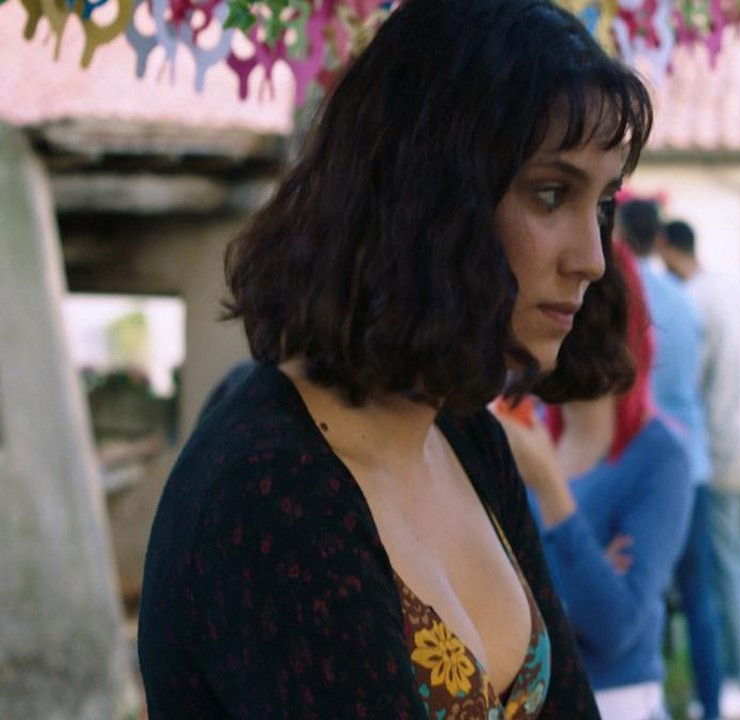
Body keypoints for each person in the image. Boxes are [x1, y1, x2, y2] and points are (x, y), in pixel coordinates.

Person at [136, 1, 653, 717]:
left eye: (601, 205)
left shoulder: (466, 437)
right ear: (430, 196)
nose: (592, 258)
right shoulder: (270, 491)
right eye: (550, 193)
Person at [503, 241, 694, 719]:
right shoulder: (526, 433)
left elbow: (615, 627)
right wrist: (586, 574)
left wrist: (551, 490)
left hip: (616, 702)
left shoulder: (660, 457)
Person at [658, 219, 740, 719]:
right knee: (737, 568)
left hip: (723, 453)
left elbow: (687, 382)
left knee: (725, 577)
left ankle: (739, 684)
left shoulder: (694, 300)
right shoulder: (736, 291)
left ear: (667, 248)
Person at [617, 200, 723, 720]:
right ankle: (712, 704)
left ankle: (648, 702)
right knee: (700, 598)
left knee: (646, 595)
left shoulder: (619, 296)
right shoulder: (683, 299)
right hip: (694, 463)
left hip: (644, 465)